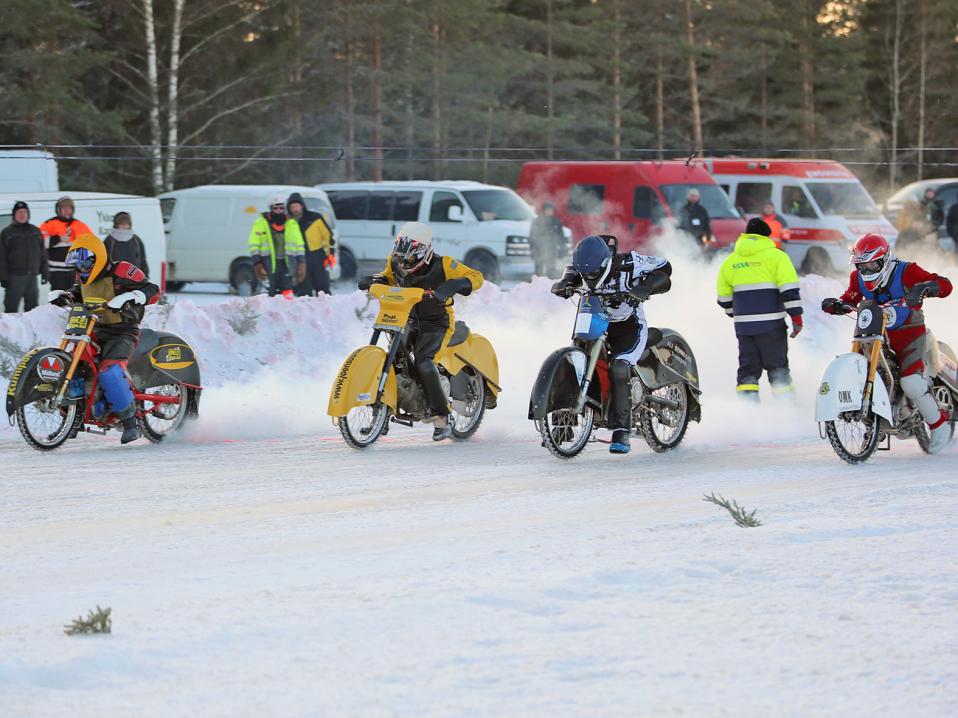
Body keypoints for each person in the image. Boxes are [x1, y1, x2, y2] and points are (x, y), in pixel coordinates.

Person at [821, 233, 953, 453]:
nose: (867, 270)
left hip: (909, 333)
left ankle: (939, 424)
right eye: (862, 266)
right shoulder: (858, 278)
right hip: (873, 334)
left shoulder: (906, 270)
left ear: (884, 259)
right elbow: (851, 296)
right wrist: (838, 304)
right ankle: (875, 423)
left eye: (872, 264)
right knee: (864, 373)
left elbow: (945, 285)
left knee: (910, 382)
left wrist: (926, 288)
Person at [359, 221, 483, 441]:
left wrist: (449, 287)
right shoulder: (395, 261)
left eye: (411, 257)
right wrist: (375, 280)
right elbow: (387, 276)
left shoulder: (444, 264)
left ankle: (441, 418)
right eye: (402, 256)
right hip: (406, 318)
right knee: (394, 360)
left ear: (424, 252)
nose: (405, 262)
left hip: (437, 323)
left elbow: (476, 277)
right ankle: (380, 415)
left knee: (423, 362)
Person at [552, 235, 672, 454]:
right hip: (595, 320)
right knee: (574, 361)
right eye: (584, 273)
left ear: (606, 263)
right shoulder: (583, 268)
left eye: (593, 273)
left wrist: (644, 288)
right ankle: (563, 426)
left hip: (628, 325)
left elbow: (665, 268)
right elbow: (571, 274)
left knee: (619, 366)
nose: (588, 277)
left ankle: (621, 431)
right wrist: (564, 284)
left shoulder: (630, 263)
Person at [48, 234, 158, 444]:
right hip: (93, 328)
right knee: (73, 365)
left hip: (123, 330)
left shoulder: (122, 270)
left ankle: (130, 421)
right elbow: (79, 293)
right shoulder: (82, 277)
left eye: (84, 265)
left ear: (96, 258)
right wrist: (66, 296)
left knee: (109, 371)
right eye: (78, 267)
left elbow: (152, 290)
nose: (81, 270)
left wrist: (127, 297)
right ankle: (72, 420)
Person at [716, 217, 803, 401]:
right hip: (772, 327)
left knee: (747, 372)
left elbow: (724, 299)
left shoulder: (730, 262)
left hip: (744, 329)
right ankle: (786, 411)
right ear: (767, 236)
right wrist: (796, 319)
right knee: (778, 368)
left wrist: (739, 315)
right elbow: (789, 292)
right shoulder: (777, 257)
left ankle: (749, 414)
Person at [248, 195, 306, 297]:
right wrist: (257, 262)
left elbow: (299, 244)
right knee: (271, 290)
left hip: (287, 262)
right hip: (268, 262)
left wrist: (302, 262)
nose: (279, 210)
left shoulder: (291, 223)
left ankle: (287, 308)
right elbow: (253, 244)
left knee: (287, 289)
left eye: (281, 207)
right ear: (271, 208)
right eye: (275, 208)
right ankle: (270, 310)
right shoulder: (261, 223)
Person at [39, 196, 95, 291]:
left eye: (69, 208)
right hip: (56, 271)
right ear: (58, 210)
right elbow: (39, 243)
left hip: (75, 271)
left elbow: (92, 243)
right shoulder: (49, 224)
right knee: (58, 299)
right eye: (63, 208)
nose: (66, 211)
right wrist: (57, 238)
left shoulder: (80, 225)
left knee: (74, 298)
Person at [0, 201, 48, 313]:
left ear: (28, 214)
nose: (22, 214)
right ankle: (10, 330)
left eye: (24, 212)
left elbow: (43, 253)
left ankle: (31, 330)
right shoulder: (7, 232)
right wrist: (3, 277)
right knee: (11, 309)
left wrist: (45, 271)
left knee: (33, 310)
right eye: (19, 212)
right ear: (14, 215)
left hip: (32, 277)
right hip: (14, 278)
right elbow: (1, 257)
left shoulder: (35, 231)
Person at [287, 192, 335, 296]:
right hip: (299, 259)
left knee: (322, 289)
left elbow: (328, 236)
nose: (295, 209)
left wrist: (330, 253)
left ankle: (327, 309)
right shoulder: (288, 222)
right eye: (292, 207)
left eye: (296, 206)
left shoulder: (315, 217)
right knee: (304, 290)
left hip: (317, 256)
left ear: (302, 206)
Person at [103, 212, 149, 276]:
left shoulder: (136, 240)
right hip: (115, 278)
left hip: (134, 278)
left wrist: (145, 277)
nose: (124, 226)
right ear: (116, 225)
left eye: (126, 224)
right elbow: (104, 260)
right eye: (121, 224)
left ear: (130, 225)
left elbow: (143, 260)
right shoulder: (109, 240)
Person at [529, 202, 567, 278]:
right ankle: (537, 284)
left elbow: (561, 236)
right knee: (538, 270)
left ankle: (549, 283)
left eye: (551, 210)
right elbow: (532, 236)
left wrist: (562, 248)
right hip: (539, 249)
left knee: (551, 268)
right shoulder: (537, 221)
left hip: (552, 249)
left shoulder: (556, 221)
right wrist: (532, 249)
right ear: (544, 210)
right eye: (548, 210)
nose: (550, 211)